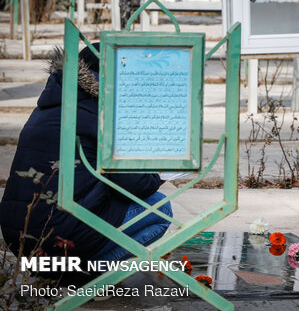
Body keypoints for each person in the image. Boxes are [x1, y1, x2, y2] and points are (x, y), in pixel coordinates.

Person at [0, 44, 172, 266]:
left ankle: (63, 271)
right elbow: (134, 185)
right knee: (160, 207)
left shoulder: (51, 104)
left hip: (19, 236)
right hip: (57, 236)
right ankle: (89, 274)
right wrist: (157, 175)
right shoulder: (99, 115)